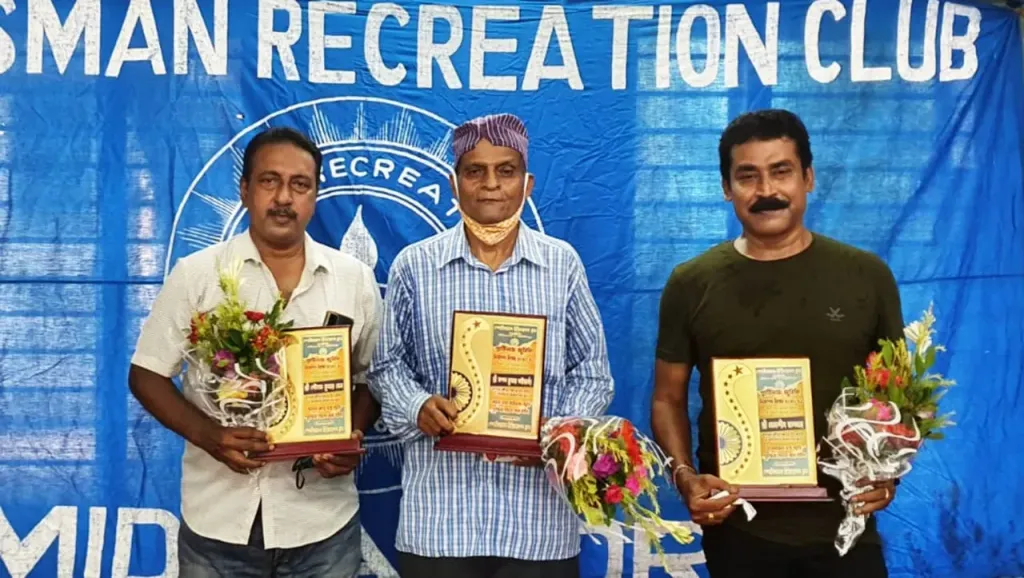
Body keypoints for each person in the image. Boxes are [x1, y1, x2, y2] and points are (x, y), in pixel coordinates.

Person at [650, 109, 903, 578]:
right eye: (747, 176)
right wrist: (684, 478)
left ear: (808, 177)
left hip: (847, 527)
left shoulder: (867, 276)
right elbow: (667, 399)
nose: (766, 190)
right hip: (739, 530)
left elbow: (896, 398)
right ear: (726, 188)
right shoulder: (691, 283)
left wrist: (886, 471)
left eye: (781, 171)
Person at [368, 113, 614, 578]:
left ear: (528, 183)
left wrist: (556, 432)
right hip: (440, 521)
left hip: (538, 524)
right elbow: (386, 367)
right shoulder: (415, 266)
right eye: (474, 171)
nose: (491, 185)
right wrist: (418, 406)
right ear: (453, 183)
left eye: (506, 171)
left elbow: (592, 372)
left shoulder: (561, 265)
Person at [128, 127, 381, 577]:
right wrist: (210, 436)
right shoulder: (197, 275)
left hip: (322, 524)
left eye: (299, 184)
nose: (284, 198)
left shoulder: (353, 279)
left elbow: (371, 379)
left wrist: (350, 438)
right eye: (269, 181)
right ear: (244, 190)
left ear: (314, 196)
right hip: (218, 524)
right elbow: (146, 374)